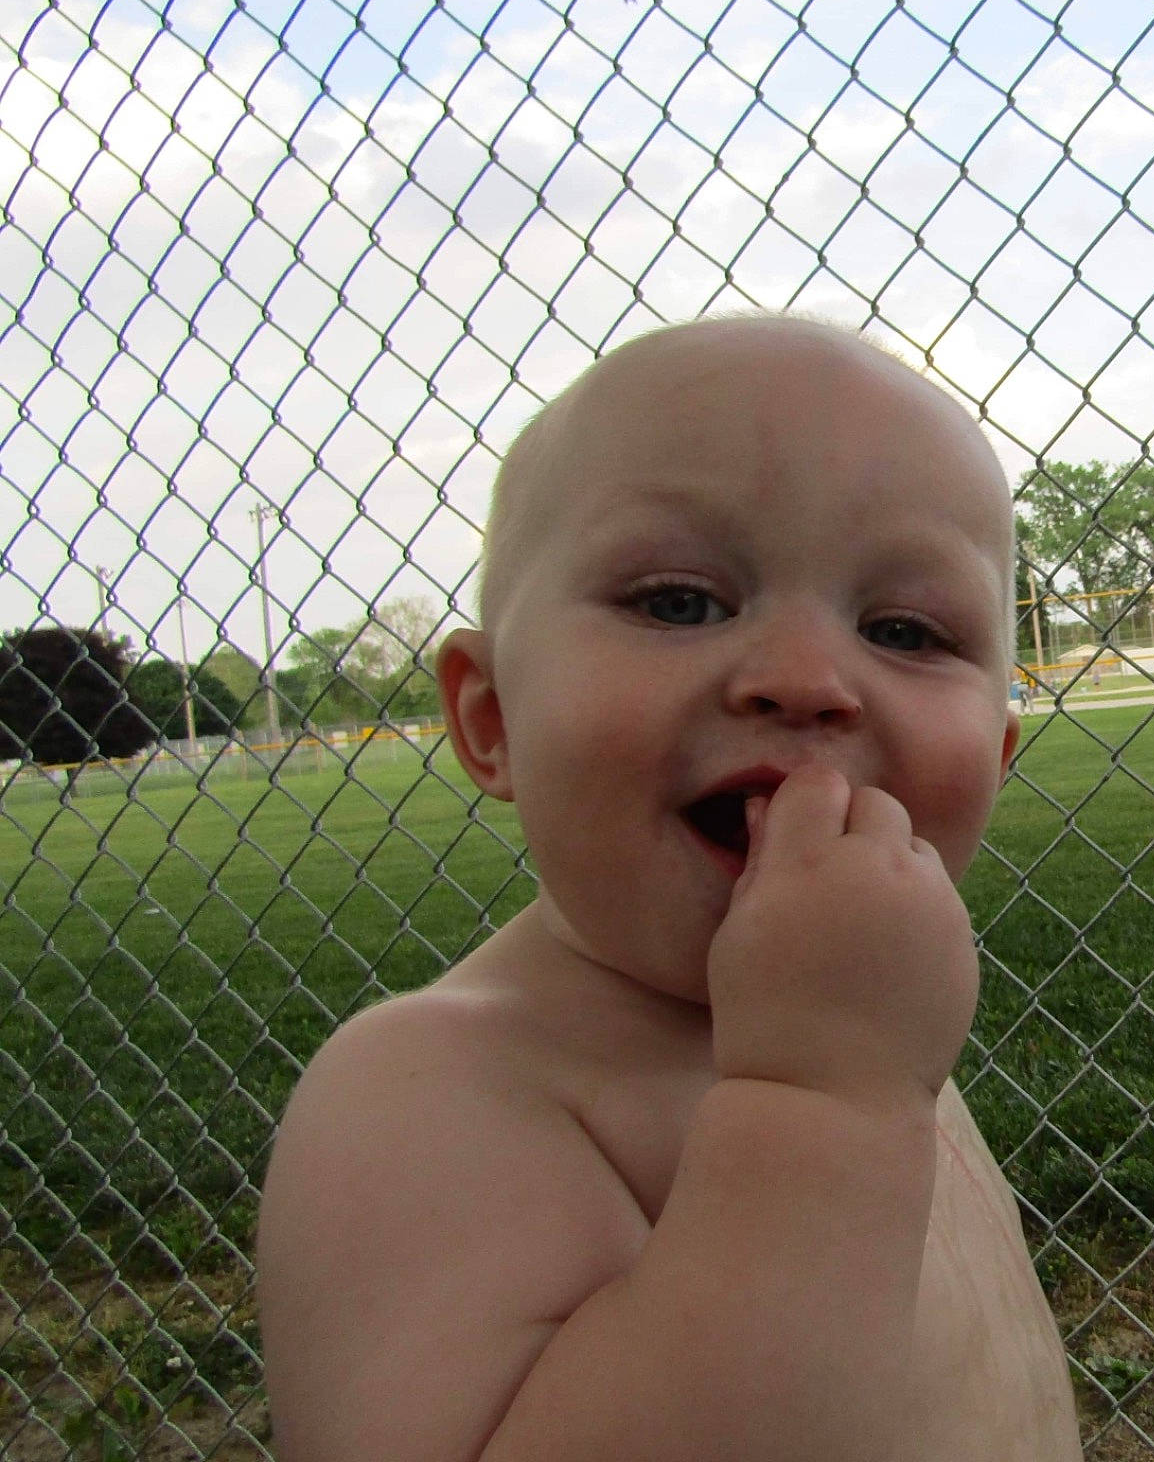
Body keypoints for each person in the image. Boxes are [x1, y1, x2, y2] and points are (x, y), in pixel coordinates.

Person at [255, 317, 1083, 1461]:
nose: (806, 681)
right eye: (678, 602)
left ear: (993, 758)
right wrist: (826, 1107)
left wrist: (845, 1076)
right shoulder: (427, 1093)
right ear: (493, 721)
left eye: (903, 628)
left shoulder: (862, 1029)